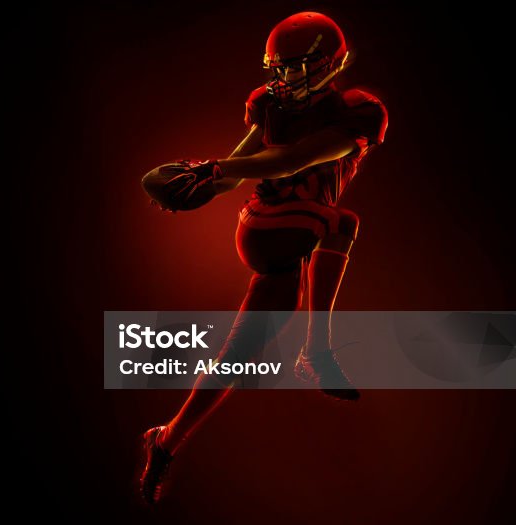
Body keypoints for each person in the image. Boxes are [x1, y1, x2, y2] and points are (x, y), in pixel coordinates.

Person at [138, 11, 388, 504]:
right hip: (267, 226)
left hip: (298, 233)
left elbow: (293, 159)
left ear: (326, 64)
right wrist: (205, 182)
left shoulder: (359, 112)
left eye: (295, 67)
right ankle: (317, 353)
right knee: (341, 222)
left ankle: (165, 440)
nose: (283, 79)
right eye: (279, 67)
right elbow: (237, 174)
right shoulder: (269, 105)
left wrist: (218, 168)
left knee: (239, 357)